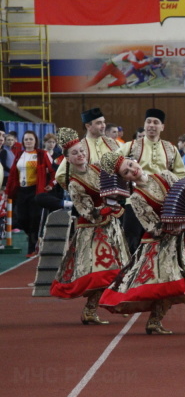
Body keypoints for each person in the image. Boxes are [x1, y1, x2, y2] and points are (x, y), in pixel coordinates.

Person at [97, 151, 185, 334]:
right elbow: (151, 226)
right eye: (126, 172)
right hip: (159, 244)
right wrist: (170, 225)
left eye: (130, 165)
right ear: (124, 179)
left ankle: (154, 321)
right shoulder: (136, 198)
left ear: (135, 162)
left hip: (181, 239)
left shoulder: (165, 175)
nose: (131, 170)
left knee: (167, 283)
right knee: (173, 279)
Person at [49, 128, 129, 325]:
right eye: (74, 153)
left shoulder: (97, 169)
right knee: (102, 273)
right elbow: (87, 212)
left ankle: (99, 307)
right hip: (92, 232)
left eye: (82, 151)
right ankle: (95, 307)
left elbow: (112, 188)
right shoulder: (74, 183)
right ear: (67, 158)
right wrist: (107, 209)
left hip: (110, 227)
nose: (80, 155)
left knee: (117, 269)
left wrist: (117, 199)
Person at [118, 108, 185, 253]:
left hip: (163, 203)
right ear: (144, 125)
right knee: (132, 240)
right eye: (148, 121)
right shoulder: (130, 146)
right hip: (135, 201)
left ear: (162, 127)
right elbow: (112, 165)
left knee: (164, 241)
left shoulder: (171, 149)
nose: (151, 125)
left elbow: (181, 175)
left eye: (156, 122)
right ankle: (133, 273)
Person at [5, 131, 56, 256]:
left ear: (35, 141)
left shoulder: (41, 154)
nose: (28, 141)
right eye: (26, 139)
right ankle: (36, 239)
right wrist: (8, 191)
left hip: (35, 190)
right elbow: (12, 174)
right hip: (21, 191)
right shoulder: (19, 154)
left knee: (34, 219)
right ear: (23, 141)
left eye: (30, 139)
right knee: (21, 219)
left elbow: (53, 172)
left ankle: (32, 248)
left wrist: (51, 184)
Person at [55, 108, 120, 189]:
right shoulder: (79, 147)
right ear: (88, 126)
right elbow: (60, 175)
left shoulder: (112, 143)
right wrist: (82, 189)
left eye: (103, 122)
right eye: (99, 123)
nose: (103, 126)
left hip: (116, 195)